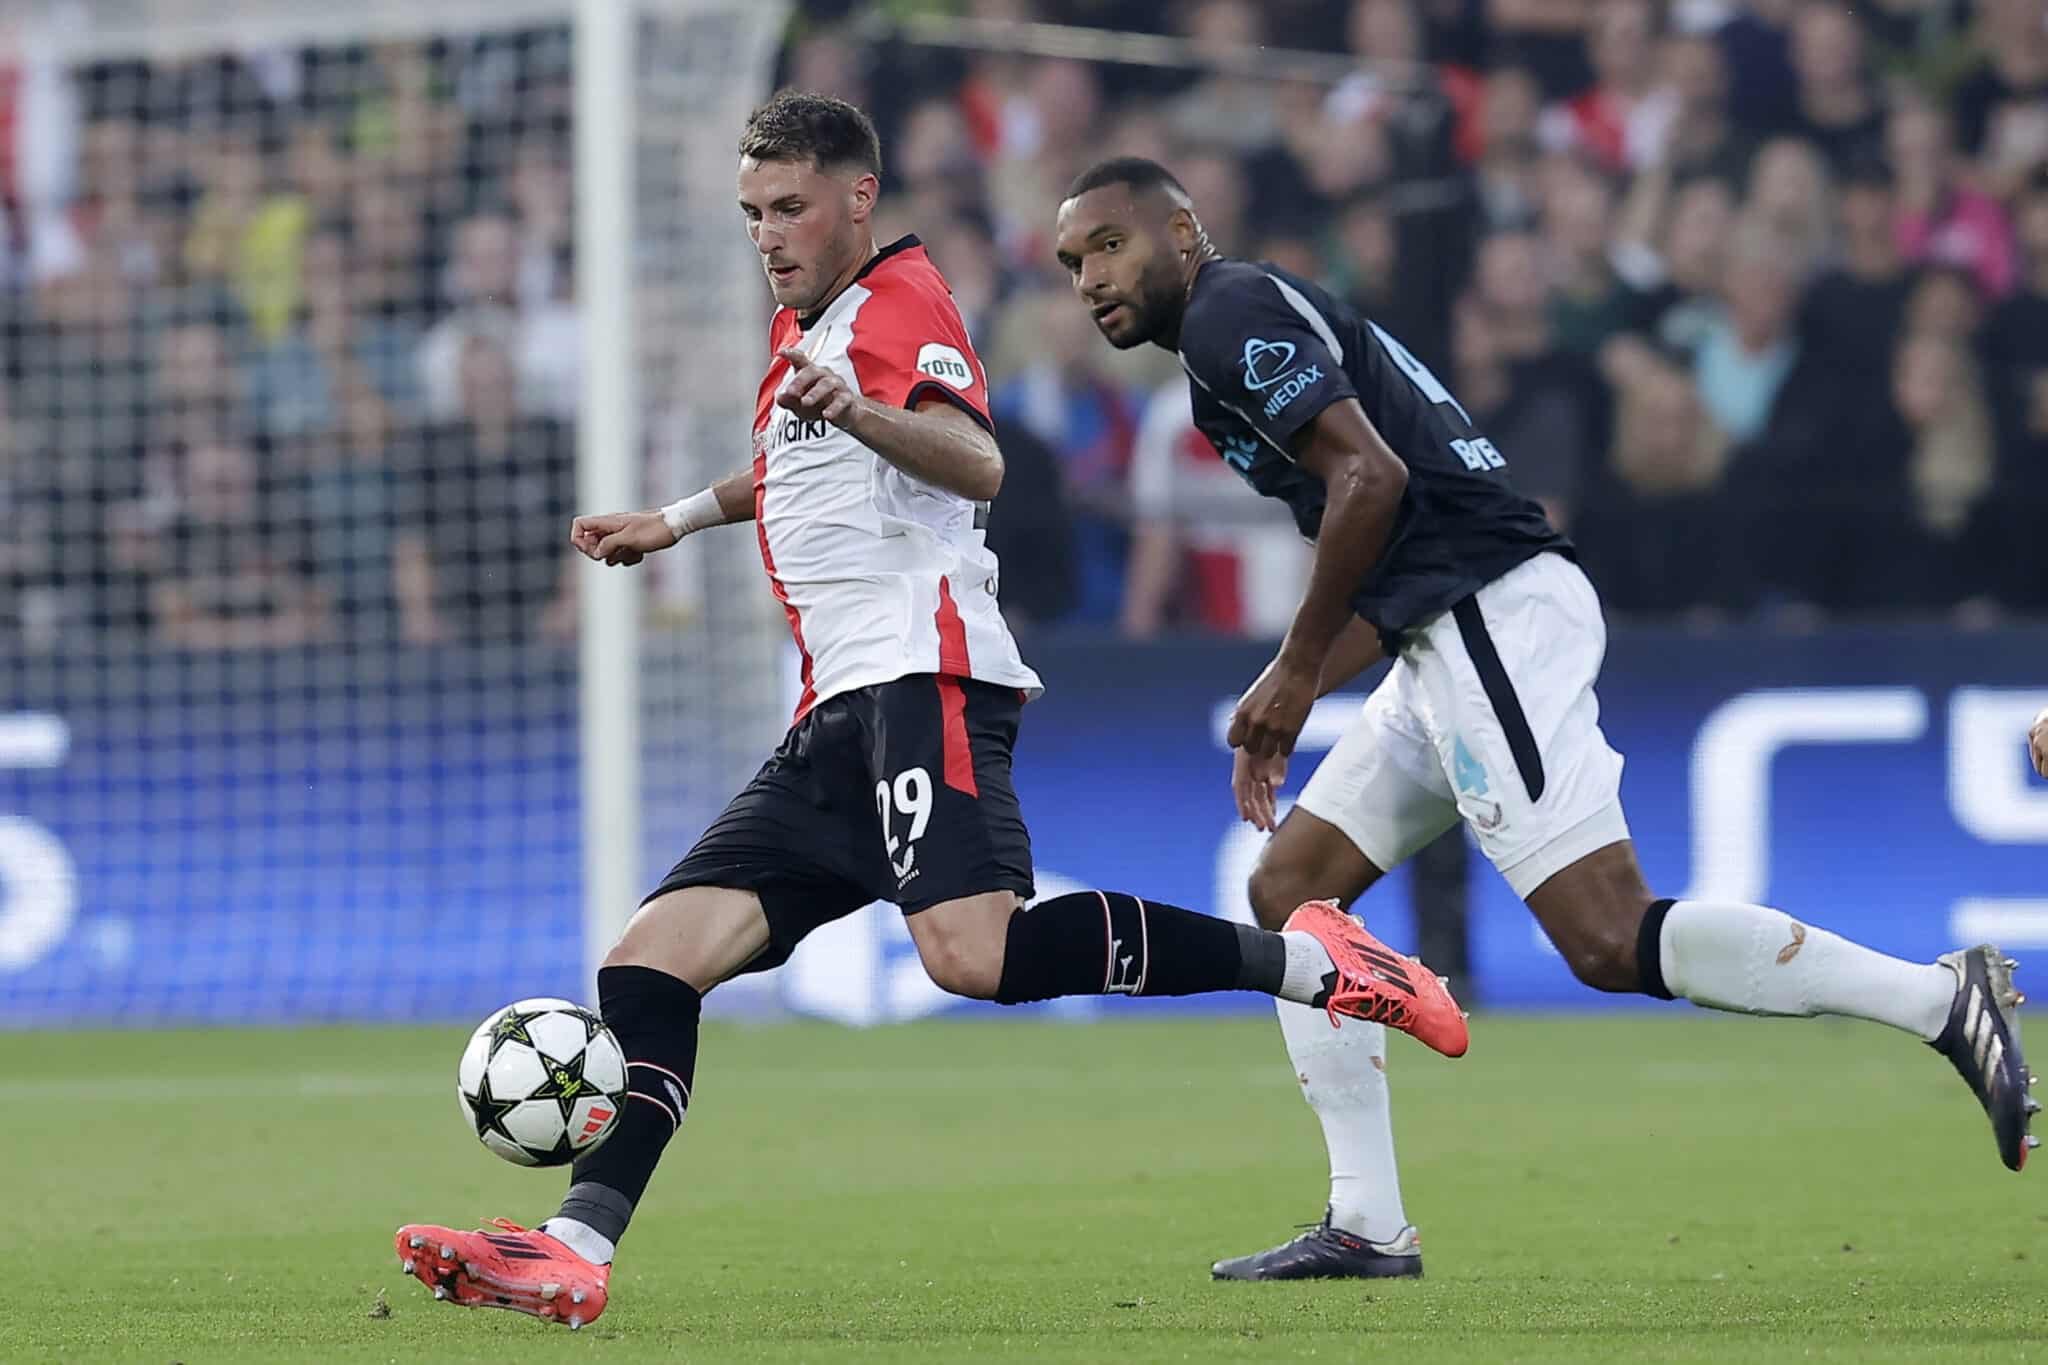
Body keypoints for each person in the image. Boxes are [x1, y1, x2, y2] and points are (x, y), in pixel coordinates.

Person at [388, 95, 1465, 1331]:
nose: (768, 235)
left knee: (973, 956)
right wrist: (674, 519)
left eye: (788, 207)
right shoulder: (816, 327)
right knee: (647, 961)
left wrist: (855, 408)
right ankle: (574, 1250)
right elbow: (798, 468)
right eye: (751, 214)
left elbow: (976, 460)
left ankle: (1312, 965)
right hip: (834, 712)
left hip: (918, 673)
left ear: (857, 196)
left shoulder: (900, 303)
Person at [1051, 156, 2038, 1281]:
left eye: (1110, 245)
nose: (1089, 278)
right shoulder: (1234, 335)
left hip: (1486, 621)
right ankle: (1366, 1222)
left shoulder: (1228, 312)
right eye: (1072, 262)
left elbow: (1370, 484)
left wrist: (1289, 666)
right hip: (1446, 632)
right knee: (1291, 892)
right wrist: (1302, 685)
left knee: (1605, 937)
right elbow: (1391, 528)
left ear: (1182, 231)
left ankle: (1937, 999)